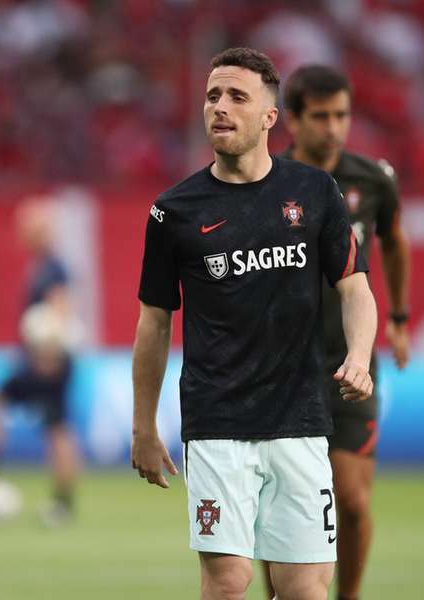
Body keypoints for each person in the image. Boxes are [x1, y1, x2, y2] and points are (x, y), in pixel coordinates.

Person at [131, 47, 377, 600]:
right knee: (229, 580)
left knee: (306, 588)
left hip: (301, 419)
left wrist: (359, 356)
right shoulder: (174, 210)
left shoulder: (315, 194)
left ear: (270, 116)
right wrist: (144, 426)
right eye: (213, 95)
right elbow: (154, 322)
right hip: (217, 422)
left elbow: (356, 287)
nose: (220, 106)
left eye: (237, 96)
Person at [256, 64, 411, 600]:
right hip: (281, 367)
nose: (334, 127)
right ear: (292, 120)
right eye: (321, 116)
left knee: (351, 499)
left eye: (341, 115)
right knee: (275, 500)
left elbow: (392, 243)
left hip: (351, 361)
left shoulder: (373, 180)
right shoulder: (264, 181)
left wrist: (397, 319)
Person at [0, 198, 80, 525]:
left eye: (29, 228)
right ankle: (61, 503)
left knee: (49, 424)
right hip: (43, 359)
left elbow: (61, 312)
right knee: (55, 426)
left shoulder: (53, 268)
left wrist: (48, 355)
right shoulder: (43, 265)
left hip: (47, 361)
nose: (23, 234)